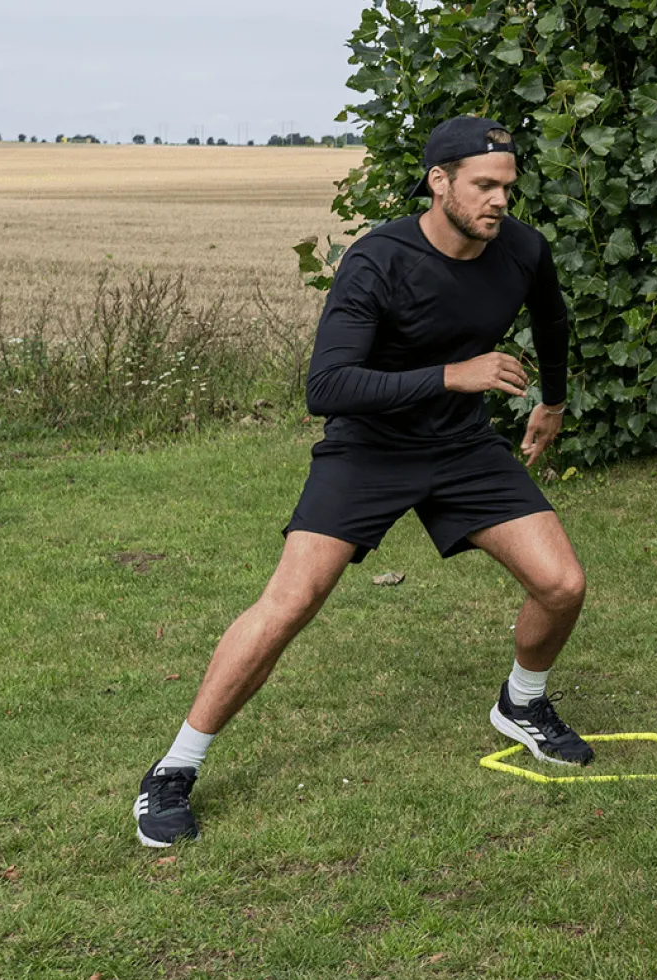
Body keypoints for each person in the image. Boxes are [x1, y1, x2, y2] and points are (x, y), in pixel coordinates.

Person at [133, 116, 594, 849]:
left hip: (462, 448)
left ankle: (523, 703)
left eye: (508, 186)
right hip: (369, 449)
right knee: (290, 603)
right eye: (484, 185)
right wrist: (452, 374)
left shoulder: (522, 250)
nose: (500, 201)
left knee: (562, 584)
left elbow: (552, 319)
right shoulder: (378, 260)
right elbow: (328, 385)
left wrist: (554, 401)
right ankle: (175, 768)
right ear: (439, 182)